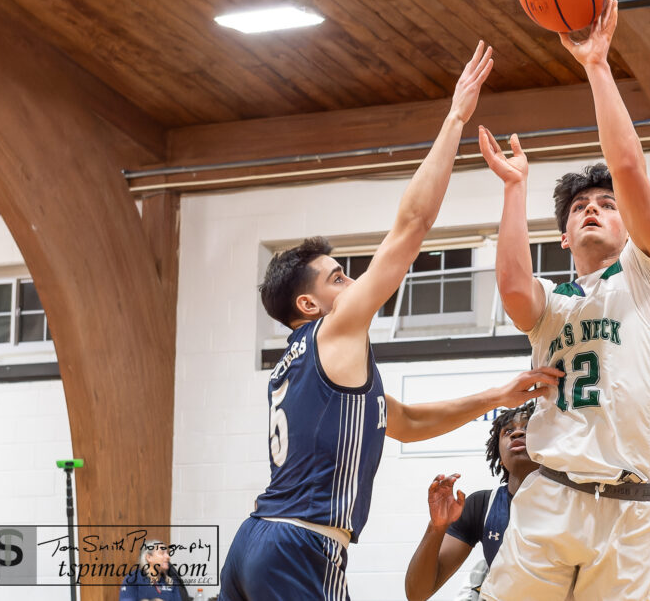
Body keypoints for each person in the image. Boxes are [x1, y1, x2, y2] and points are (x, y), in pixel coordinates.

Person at [218, 42, 562, 601]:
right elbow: (412, 225)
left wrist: (496, 394)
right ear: (308, 306)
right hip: (300, 545)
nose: (352, 285)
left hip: (254, 541)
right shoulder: (333, 330)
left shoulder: (302, 368)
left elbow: (404, 422)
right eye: (337, 278)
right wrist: (454, 118)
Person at [477, 0, 650, 600]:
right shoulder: (553, 304)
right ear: (564, 236)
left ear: (626, 225)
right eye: (578, 208)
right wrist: (516, 188)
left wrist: (596, 64)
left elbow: (628, 167)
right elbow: (514, 288)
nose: (593, 208)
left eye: (606, 204)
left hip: (630, 508)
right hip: (553, 495)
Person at [404, 403, 535, 601]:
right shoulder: (481, 504)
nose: (517, 433)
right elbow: (418, 593)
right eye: (508, 431)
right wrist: (437, 527)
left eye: (527, 428)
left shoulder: (575, 498)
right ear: (499, 456)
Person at [119, 539, 190, 601]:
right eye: (162, 553)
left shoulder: (170, 582)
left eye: (167, 553)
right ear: (149, 557)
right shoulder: (133, 579)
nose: (168, 557)